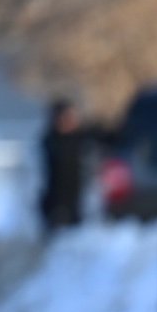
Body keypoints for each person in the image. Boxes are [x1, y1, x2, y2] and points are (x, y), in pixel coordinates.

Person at [40, 98, 86, 233]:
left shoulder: (84, 140)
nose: (70, 121)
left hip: (80, 209)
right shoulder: (48, 144)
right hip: (54, 210)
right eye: (65, 117)